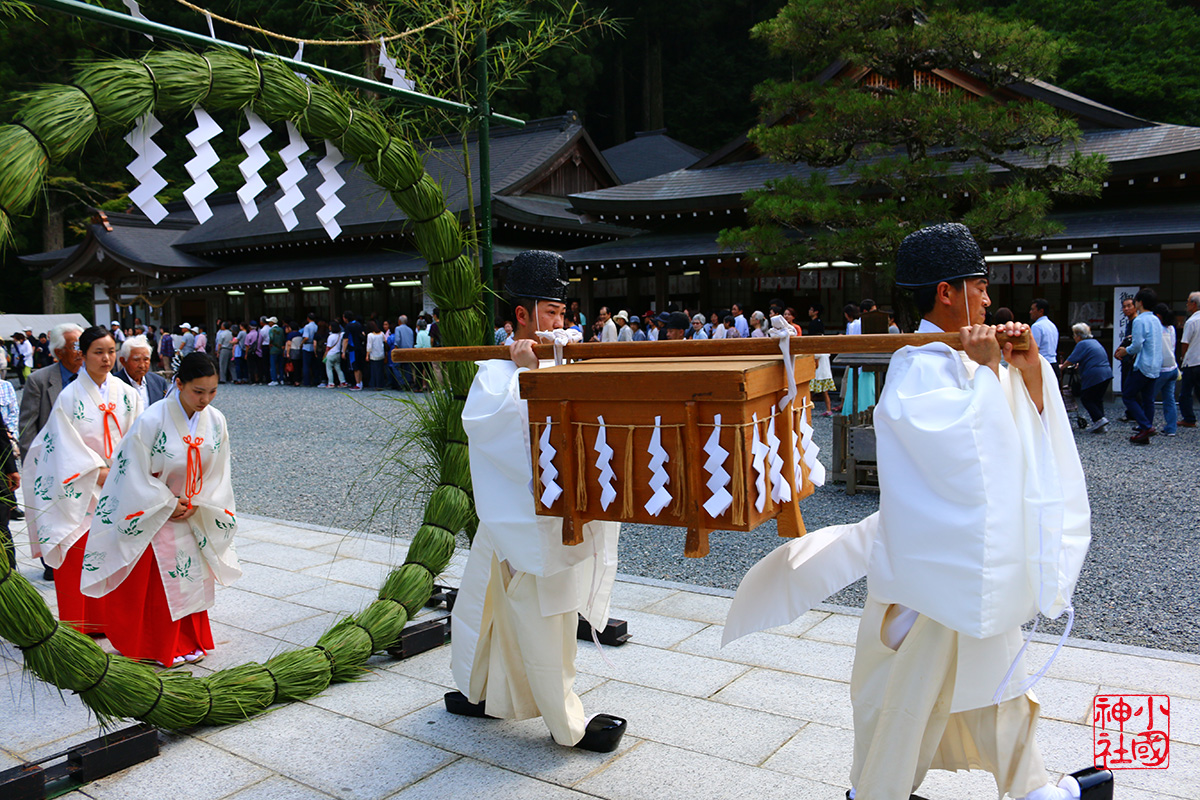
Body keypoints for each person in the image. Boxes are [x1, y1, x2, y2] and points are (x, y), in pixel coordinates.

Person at [726, 222, 1109, 800]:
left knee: (993, 683)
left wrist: (1025, 371)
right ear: (946, 292)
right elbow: (963, 462)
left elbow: (1021, 440)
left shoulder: (964, 355)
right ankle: (881, 792)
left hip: (971, 563)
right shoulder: (916, 366)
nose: (987, 296)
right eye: (978, 285)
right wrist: (986, 373)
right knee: (912, 695)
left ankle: (1026, 790)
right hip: (935, 570)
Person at [449, 250, 625, 753]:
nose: (560, 324)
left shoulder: (563, 359)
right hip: (527, 518)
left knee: (488, 605)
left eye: (564, 314)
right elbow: (499, 438)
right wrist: (530, 377)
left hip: (556, 512)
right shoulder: (495, 374)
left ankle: (479, 691)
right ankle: (565, 722)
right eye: (550, 313)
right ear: (521, 316)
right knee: (540, 615)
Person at [81, 353, 239, 667]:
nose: (205, 400)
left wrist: (199, 500)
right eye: (197, 391)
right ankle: (156, 644)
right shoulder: (152, 419)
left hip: (193, 510)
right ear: (178, 383)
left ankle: (191, 639)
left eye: (212, 391)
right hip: (156, 511)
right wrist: (167, 503)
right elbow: (131, 472)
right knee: (159, 583)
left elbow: (220, 471)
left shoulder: (216, 420)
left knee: (191, 577)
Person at [23, 326, 143, 634]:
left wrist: (124, 468)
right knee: (79, 552)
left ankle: (116, 620)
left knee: (119, 549)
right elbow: (62, 445)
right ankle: (84, 623)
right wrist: (98, 472)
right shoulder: (69, 396)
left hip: (121, 481)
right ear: (83, 355)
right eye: (98, 352)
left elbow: (140, 437)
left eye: (111, 352)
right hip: (81, 486)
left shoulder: (128, 395)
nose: (106, 359)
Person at [18, 322, 84, 457]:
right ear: (59, 352)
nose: (81, 351)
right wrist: (32, 466)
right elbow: (28, 429)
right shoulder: (38, 381)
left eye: (82, 346)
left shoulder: (96, 377)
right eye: (75, 347)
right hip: (54, 457)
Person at [1117, 289, 1162, 444]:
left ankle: (1146, 426)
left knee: (1128, 395)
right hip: (1156, 363)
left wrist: (1125, 351)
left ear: (1140, 302)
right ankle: (1144, 432)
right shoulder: (1156, 319)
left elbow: (1136, 346)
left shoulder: (1139, 320)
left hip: (1143, 364)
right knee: (1148, 398)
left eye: (1135, 301)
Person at [1063, 323, 1113, 432]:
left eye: (1074, 335)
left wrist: (1062, 366)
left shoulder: (1082, 344)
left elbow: (1071, 359)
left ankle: (1100, 419)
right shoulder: (1094, 342)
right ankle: (1100, 424)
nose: (1074, 338)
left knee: (1086, 398)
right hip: (1106, 373)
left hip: (1095, 374)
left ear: (1079, 336)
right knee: (1097, 399)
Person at [114, 335, 169, 408]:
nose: (142, 365)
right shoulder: (114, 384)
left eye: (146, 359)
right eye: (136, 360)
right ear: (123, 361)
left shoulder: (159, 383)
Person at [1153, 303, 1179, 436]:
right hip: (1172, 367)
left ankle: (1146, 426)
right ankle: (1171, 428)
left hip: (1161, 369)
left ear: (1158, 316)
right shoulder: (1171, 328)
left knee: (1149, 397)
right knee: (1169, 399)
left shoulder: (1157, 329)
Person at [1179, 291, 1200, 428]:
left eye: (1188, 302)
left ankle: (1189, 418)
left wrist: (1182, 358)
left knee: (1186, 393)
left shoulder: (1191, 321)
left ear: (1193, 304)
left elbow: (1185, 343)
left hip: (1192, 361)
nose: (1186, 304)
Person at [1029, 299, 1061, 383]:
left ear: (1041, 311)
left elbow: (1035, 349)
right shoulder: (1052, 325)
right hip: (1054, 363)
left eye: (1032, 309)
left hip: (1042, 365)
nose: (1030, 312)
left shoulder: (1037, 326)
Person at [341, 311, 366, 390]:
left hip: (352, 348)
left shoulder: (348, 326)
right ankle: (360, 382)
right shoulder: (358, 324)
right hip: (360, 347)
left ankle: (357, 384)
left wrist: (343, 351)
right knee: (359, 365)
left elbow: (346, 339)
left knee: (355, 366)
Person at [324, 322, 347, 388]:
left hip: (331, 354)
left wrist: (325, 353)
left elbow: (328, 347)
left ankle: (331, 383)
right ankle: (343, 382)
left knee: (329, 369)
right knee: (338, 368)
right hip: (337, 353)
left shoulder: (330, 336)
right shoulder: (340, 335)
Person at [366, 322, 387, 389]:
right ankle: (380, 384)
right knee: (380, 371)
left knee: (374, 371)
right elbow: (385, 342)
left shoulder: (370, 335)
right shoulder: (382, 333)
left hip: (374, 355)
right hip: (381, 354)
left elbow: (369, 347)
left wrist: (367, 355)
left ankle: (375, 384)